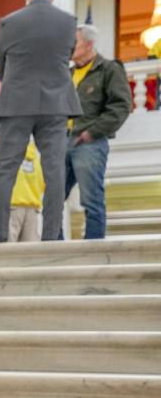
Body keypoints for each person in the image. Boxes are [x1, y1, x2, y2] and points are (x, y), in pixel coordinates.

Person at [0, 0, 81, 242]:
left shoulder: (9, 23)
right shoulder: (68, 22)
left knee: (6, 168)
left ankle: (1, 235)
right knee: (54, 170)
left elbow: (1, 66)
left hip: (16, 103)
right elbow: (67, 57)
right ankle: (52, 235)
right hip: (55, 104)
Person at [65, 24, 131, 239]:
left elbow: (121, 107)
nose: (69, 47)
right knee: (53, 199)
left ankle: (93, 250)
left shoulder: (109, 69)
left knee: (91, 199)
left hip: (89, 142)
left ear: (89, 44)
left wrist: (91, 133)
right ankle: (53, 246)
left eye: (74, 42)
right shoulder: (67, 73)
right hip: (62, 141)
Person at [7, 140, 45, 242]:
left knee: (9, 245)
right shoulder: (38, 158)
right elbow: (44, 182)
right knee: (30, 248)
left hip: (13, 205)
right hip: (33, 207)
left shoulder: (9, 154)